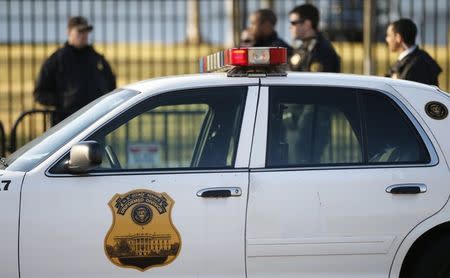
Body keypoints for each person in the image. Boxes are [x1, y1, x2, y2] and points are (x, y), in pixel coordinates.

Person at [34, 16, 116, 124]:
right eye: (80, 31)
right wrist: (65, 100)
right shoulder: (56, 60)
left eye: (86, 31)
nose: (84, 35)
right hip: (66, 122)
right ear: (69, 32)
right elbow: (40, 93)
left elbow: (111, 85)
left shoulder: (97, 59)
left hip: (95, 121)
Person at [385, 18, 442, 86]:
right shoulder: (411, 59)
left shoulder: (418, 64)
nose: (387, 39)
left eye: (389, 35)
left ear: (398, 37)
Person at [288, 4, 340, 72]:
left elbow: (317, 80)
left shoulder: (321, 50)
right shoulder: (304, 47)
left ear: (307, 24)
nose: (290, 27)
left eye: (293, 23)